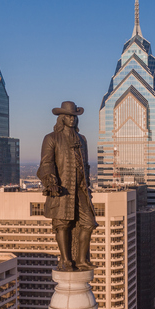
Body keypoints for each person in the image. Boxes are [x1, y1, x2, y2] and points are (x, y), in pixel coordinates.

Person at [37, 101, 97, 271]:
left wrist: (88, 185)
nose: (72, 119)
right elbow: (46, 163)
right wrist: (50, 181)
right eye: (69, 116)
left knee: (88, 223)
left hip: (80, 190)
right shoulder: (51, 138)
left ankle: (81, 260)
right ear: (62, 118)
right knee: (62, 224)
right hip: (62, 190)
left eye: (74, 117)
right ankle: (65, 260)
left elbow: (85, 165)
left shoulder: (82, 139)